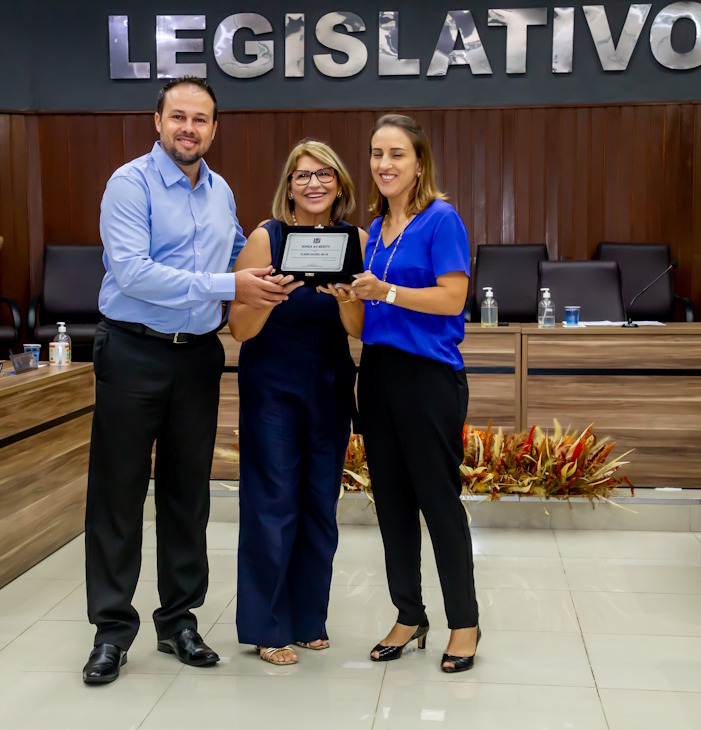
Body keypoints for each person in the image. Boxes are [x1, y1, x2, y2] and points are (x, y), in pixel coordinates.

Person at [82, 77, 297, 685]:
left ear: (214, 129)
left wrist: (292, 262)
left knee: (186, 496)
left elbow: (238, 253)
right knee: (119, 494)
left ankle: (178, 621)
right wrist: (232, 285)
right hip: (133, 352)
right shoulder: (130, 184)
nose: (188, 128)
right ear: (157, 121)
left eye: (200, 119)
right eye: (178, 117)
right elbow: (133, 273)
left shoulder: (219, 190)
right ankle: (111, 630)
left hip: (198, 356)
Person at [230, 140, 369, 666]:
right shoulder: (265, 240)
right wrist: (271, 297)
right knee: (272, 503)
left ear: (339, 184)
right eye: (303, 175)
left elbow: (360, 330)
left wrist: (348, 299)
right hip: (273, 388)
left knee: (319, 505)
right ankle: (267, 626)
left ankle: (309, 618)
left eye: (324, 174)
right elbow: (239, 329)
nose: (314, 184)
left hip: (329, 385)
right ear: (288, 187)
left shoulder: (356, 241)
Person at [350, 114, 480, 673]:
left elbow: (453, 298)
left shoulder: (441, 219)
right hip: (378, 372)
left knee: (437, 502)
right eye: (377, 153)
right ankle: (409, 614)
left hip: (429, 377)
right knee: (393, 504)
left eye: (397, 154)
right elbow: (368, 318)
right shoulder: (375, 229)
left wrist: (387, 290)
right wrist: (347, 297)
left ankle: (465, 623)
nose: (384, 164)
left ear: (419, 163)